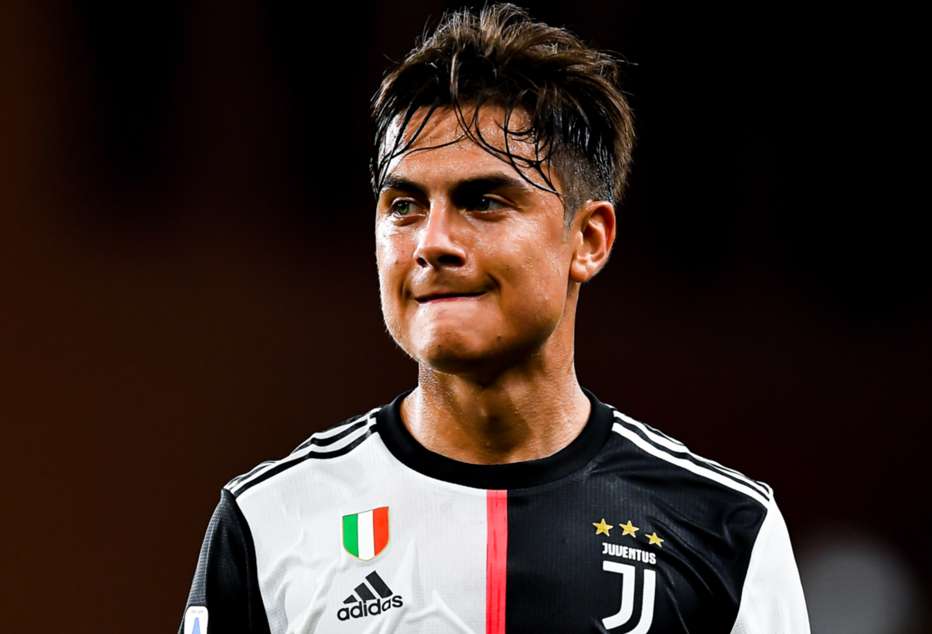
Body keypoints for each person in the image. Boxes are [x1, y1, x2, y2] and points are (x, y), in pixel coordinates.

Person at [178, 4, 810, 633]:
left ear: (588, 239)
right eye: (404, 206)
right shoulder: (268, 523)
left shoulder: (726, 532)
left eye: (482, 201)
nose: (432, 243)